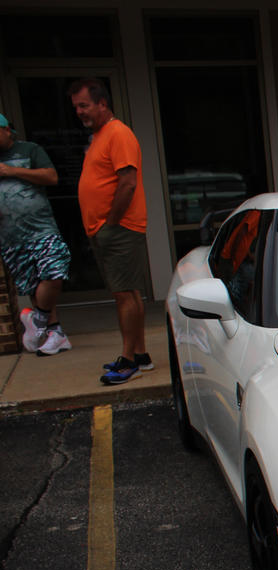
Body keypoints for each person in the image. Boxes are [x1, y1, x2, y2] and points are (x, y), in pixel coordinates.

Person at [68, 78, 153, 385]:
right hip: (109, 229)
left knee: (123, 297)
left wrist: (111, 223)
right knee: (129, 293)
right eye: (76, 107)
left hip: (119, 229)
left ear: (102, 103)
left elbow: (128, 182)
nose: (79, 112)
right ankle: (141, 355)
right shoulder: (101, 136)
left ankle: (128, 360)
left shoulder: (118, 133)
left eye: (84, 105)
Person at [0, 113, 72, 356]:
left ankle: (37, 321)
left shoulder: (30, 150)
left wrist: (11, 171)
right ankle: (56, 334)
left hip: (40, 229)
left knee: (53, 273)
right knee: (33, 284)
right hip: (10, 236)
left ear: (7, 130)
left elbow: (51, 177)